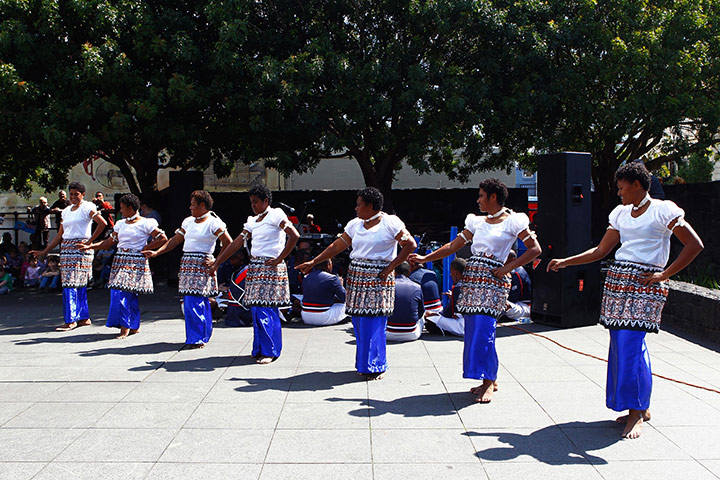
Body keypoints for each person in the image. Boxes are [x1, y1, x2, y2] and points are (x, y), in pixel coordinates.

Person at [547, 162, 703, 439]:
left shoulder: (662, 210)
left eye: (621, 187)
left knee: (630, 344)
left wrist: (665, 274)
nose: (618, 192)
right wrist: (567, 262)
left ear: (638, 185)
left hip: (645, 282)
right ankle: (640, 406)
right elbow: (601, 250)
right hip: (619, 283)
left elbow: (694, 245)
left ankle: (635, 413)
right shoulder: (621, 214)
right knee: (623, 345)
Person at [409, 178, 541, 403]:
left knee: (484, 328)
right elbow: (453, 247)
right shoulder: (477, 223)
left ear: (493, 197)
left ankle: (489, 382)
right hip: (472, 281)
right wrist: (425, 257)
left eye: (481, 196)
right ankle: (488, 379)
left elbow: (534, 249)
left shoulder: (513, 222)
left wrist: (507, 267)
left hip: (493, 281)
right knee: (473, 329)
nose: (478, 200)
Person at [297, 187, 417, 379]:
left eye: (359, 204)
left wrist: (391, 267)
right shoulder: (355, 224)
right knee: (360, 322)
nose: (355, 208)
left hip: (379, 278)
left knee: (375, 321)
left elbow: (410, 244)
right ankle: (364, 364)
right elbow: (336, 246)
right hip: (358, 276)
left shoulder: (390, 223)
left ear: (370, 205)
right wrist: (314, 261)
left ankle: (377, 365)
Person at [212, 184, 300, 363]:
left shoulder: (276, 214)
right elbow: (237, 242)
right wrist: (218, 261)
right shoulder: (252, 221)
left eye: (256, 202)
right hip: (255, 267)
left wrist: (279, 258)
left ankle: (270, 350)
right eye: (251, 202)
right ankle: (261, 348)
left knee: (266, 308)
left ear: (266, 201)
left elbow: (294, 236)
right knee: (257, 309)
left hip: (271, 266)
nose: (253, 205)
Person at [145, 190, 231, 348]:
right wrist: (157, 252)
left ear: (202, 205)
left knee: (197, 301)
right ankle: (199, 335)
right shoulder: (188, 221)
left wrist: (216, 262)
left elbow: (228, 243)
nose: (190, 208)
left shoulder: (214, 222)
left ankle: (198, 337)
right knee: (192, 301)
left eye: (193, 205)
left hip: (203, 264)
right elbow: (175, 240)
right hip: (187, 264)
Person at [82, 194, 167, 339]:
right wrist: (90, 246)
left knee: (123, 293)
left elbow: (162, 238)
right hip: (120, 259)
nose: (120, 211)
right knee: (124, 292)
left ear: (130, 208)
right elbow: (109, 242)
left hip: (135, 260)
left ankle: (125, 327)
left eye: (122, 208)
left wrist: (146, 248)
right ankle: (132, 324)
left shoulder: (146, 223)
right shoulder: (121, 224)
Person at [30, 182, 107, 331]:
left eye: (76, 194)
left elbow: (102, 223)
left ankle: (71, 320)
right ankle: (83, 317)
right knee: (74, 283)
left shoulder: (88, 207)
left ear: (83, 194)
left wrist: (89, 243)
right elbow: (59, 235)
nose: (73, 197)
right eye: (71, 194)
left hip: (81, 247)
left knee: (72, 283)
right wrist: (45, 251)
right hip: (66, 248)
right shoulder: (65, 211)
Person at [426, 257, 467, 337]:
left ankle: (445, 330)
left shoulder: (458, 287)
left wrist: (435, 314)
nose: (450, 275)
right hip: (476, 324)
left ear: (455, 273)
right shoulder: (471, 284)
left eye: (451, 272)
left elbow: (447, 313)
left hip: (464, 327)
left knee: (430, 318)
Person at [300, 258, 347, 326]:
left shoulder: (306, 277)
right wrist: (341, 285)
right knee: (347, 306)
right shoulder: (333, 278)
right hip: (323, 317)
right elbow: (344, 297)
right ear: (328, 265)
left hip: (305, 316)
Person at [387, 262, 425, 342]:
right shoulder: (417, 287)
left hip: (388, 332)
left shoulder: (388, 286)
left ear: (394, 272)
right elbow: (421, 311)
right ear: (409, 272)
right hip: (412, 333)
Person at [218, 250, 253, 327]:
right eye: (239, 260)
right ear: (232, 259)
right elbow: (219, 285)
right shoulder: (223, 267)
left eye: (242, 261)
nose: (241, 263)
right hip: (222, 294)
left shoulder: (242, 269)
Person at [502, 250, 532, 322]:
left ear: (513, 260)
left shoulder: (519, 274)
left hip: (520, 306)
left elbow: (513, 298)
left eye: (505, 258)